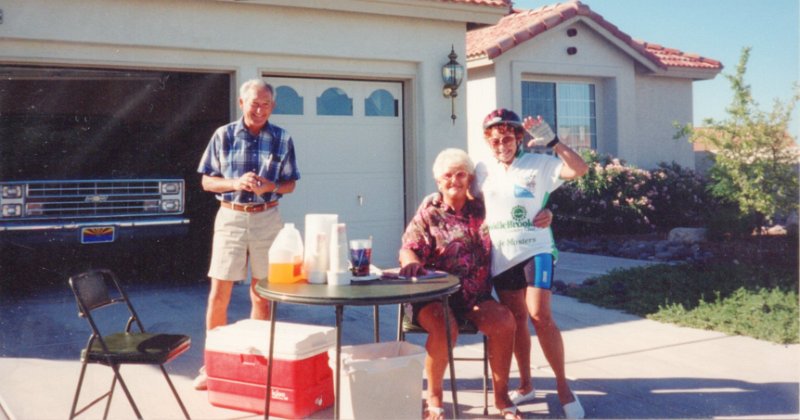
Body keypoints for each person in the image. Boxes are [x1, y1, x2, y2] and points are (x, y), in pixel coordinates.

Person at [400, 148, 531, 420]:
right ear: (438, 181)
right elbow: (407, 247)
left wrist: (544, 217)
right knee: (446, 327)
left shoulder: (485, 210)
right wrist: (410, 261)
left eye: (461, 174)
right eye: (447, 175)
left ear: (470, 178)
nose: (454, 180)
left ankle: (502, 396)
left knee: (506, 322)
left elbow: (521, 217)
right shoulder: (429, 212)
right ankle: (434, 397)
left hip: (475, 297)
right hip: (433, 296)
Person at [475, 108, 589, 419]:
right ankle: (526, 385)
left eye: (508, 138)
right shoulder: (482, 171)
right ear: (488, 142)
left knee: (540, 315)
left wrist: (553, 141)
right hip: (502, 255)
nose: (502, 145)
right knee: (516, 319)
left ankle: (564, 387)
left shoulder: (538, 163)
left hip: (536, 249)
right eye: (495, 140)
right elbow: (468, 204)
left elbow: (579, 169)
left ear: (519, 138)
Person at [193, 79, 300, 390]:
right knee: (220, 293)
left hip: (268, 218)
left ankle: (259, 364)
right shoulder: (223, 135)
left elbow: (291, 183)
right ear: (241, 103)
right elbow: (207, 182)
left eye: (266, 104)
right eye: (254, 103)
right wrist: (236, 182)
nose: (260, 109)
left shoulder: (282, 138)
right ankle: (211, 365)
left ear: (273, 106)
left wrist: (271, 186)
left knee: (262, 293)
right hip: (231, 216)